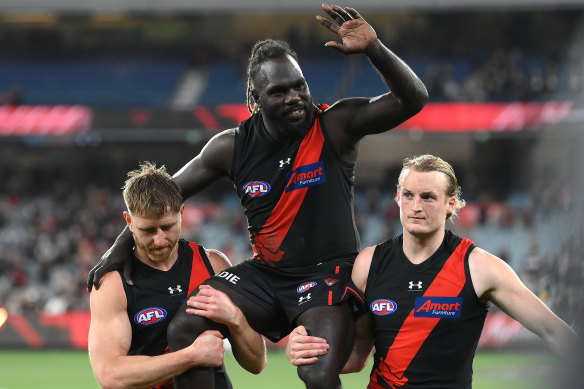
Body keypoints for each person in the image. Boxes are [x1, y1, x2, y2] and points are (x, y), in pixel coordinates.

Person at [88, 4, 428, 389]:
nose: (294, 97)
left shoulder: (335, 126)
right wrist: (116, 250)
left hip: (326, 276)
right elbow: (161, 199)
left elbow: (413, 99)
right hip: (266, 276)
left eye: (299, 86)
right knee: (187, 325)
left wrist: (374, 48)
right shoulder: (231, 148)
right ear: (255, 98)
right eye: (279, 92)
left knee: (316, 371)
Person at [286, 154, 579, 388]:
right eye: (409, 195)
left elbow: (552, 329)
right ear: (397, 197)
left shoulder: (480, 267)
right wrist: (309, 350)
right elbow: (357, 355)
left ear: (451, 204)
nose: (416, 206)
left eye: (428, 197)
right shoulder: (368, 264)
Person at [88, 162, 266, 389]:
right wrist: (190, 356)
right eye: (148, 230)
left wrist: (236, 319)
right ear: (129, 221)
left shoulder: (213, 265)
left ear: (182, 212)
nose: (159, 239)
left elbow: (257, 363)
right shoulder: (113, 284)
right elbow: (110, 376)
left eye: (167, 226)